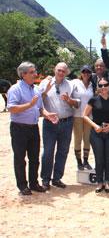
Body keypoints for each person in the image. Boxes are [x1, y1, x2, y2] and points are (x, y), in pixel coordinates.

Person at [7, 62, 58, 195]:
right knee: (20, 158)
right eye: (31, 72)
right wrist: (29, 104)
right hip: (19, 128)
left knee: (34, 157)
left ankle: (34, 183)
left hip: (33, 128)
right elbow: (11, 108)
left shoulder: (35, 89)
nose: (35, 74)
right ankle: (22, 185)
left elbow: (40, 109)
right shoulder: (15, 89)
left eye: (34, 71)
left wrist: (48, 115)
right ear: (23, 74)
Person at [39, 62, 80, 190]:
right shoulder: (45, 83)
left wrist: (70, 100)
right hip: (50, 123)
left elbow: (78, 103)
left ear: (67, 72)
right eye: (59, 70)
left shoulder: (71, 84)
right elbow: (37, 100)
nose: (61, 73)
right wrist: (45, 92)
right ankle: (45, 179)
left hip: (67, 123)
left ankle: (57, 178)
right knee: (48, 151)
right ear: (54, 70)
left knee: (63, 151)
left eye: (63, 71)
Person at [83, 77, 109, 194]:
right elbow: (85, 115)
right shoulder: (93, 99)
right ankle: (99, 182)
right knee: (99, 158)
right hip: (96, 133)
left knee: (108, 158)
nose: (103, 88)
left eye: (105, 85)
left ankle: (107, 182)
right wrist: (95, 126)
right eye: (100, 85)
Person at [72, 65, 94, 170]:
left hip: (89, 116)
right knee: (78, 139)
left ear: (90, 74)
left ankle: (85, 161)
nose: (86, 74)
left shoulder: (92, 85)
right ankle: (79, 162)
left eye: (88, 72)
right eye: (84, 71)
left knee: (87, 139)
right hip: (77, 115)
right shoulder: (75, 83)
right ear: (81, 73)